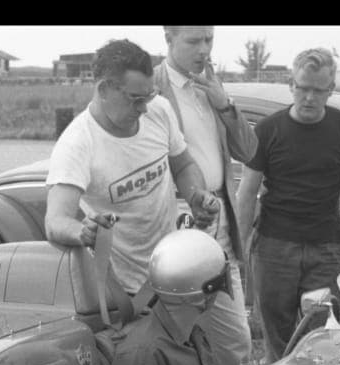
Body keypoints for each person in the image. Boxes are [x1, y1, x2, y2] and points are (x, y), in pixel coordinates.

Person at [44, 39, 222, 301]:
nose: (143, 108)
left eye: (148, 96)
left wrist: (196, 196)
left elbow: (183, 164)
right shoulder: (77, 144)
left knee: (231, 342)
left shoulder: (158, 110)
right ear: (104, 89)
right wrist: (84, 232)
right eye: (135, 99)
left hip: (176, 269)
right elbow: (55, 221)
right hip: (125, 291)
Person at [235, 47, 340, 362]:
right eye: (303, 88)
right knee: (278, 339)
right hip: (273, 249)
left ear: (331, 90)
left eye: (318, 90)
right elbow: (247, 192)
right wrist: (239, 244)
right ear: (291, 85)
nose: (309, 97)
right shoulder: (268, 130)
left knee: (321, 337)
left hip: (325, 249)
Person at [154, 25, 257, 365]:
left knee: (236, 340)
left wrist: (224, 104)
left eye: (209, 40)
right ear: (168, 39)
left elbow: (249, 150)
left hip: (220, 224)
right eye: (193, 41)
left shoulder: (212, 84)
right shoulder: (152, 90)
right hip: (176, 224)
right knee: (178, 337)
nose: (204, 50)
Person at [97, 228, 231, 365]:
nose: (217, 294)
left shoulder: (192, 334)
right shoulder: (143, 356)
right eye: (216, 286)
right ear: (200, 296)